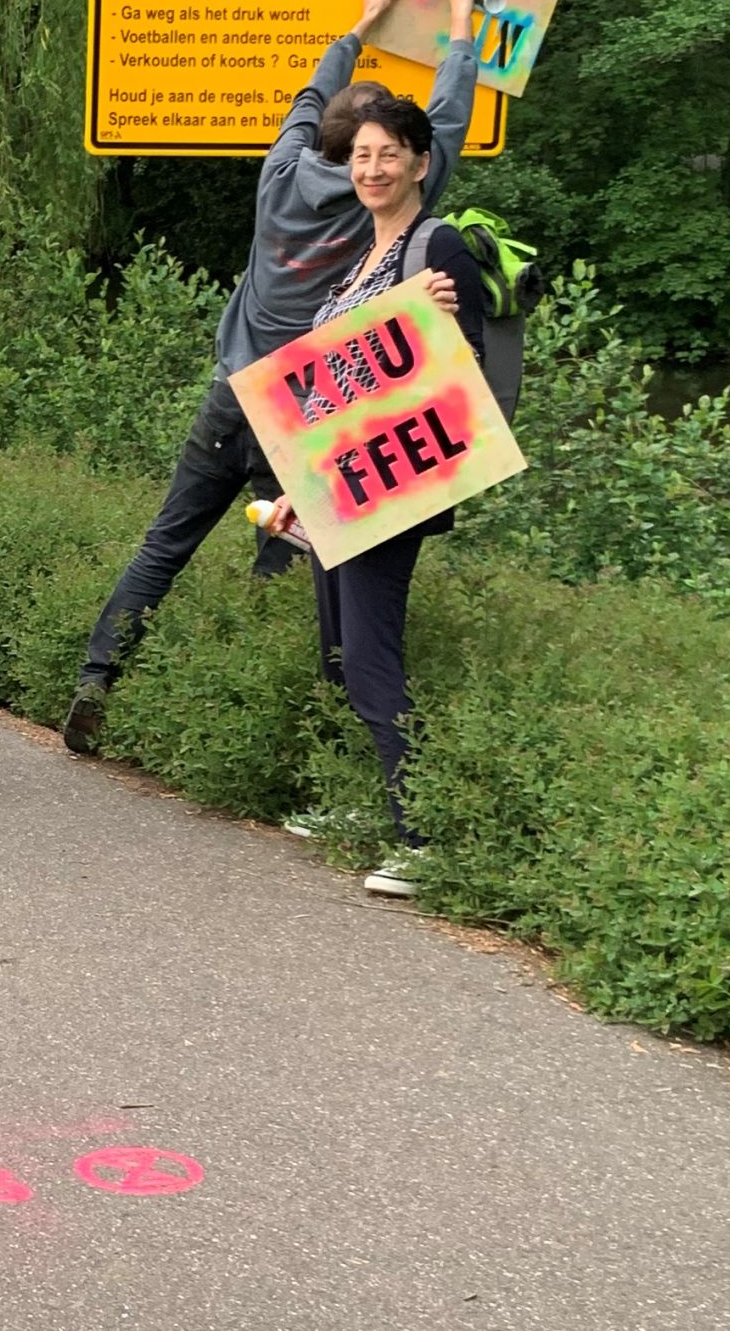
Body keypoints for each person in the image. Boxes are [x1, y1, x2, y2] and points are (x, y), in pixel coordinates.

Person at [61, 0, 486, 756]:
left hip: (230, 395)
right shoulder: (382, 201)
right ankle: (261, 719)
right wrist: (460, 23)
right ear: (370, 151)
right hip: (305, 415)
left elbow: (306, 100)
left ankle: (97, 676)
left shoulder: (280, 171)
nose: (376, 164)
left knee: (165, 542)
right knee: (290, 562)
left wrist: (358, 31)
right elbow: (448, 120)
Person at [278, 90, 486, 900]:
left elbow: (449, 376)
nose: (371, 168)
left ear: (420, 163)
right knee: (336, 653)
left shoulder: (436, 249)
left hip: (391, 487)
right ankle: (353, 808)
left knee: (371, 655)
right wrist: (300, 484)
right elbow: (331, 390)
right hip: (337, 484)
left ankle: (424, 837)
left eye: (387, 154)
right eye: (360, 155)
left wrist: (426, 321)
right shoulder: (360, 259)